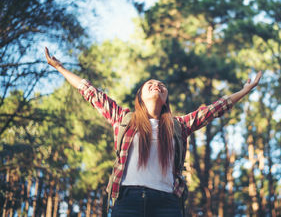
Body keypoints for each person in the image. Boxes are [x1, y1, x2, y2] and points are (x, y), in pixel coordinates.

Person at [45, 47, 262, 217]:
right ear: (140, 96)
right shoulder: (124, 119)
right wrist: (59, 68)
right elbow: (90, 92)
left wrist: (244, 91)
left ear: (166, 98)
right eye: (150, 84)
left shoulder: (178, 126)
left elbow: (214, 110)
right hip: (127, 201)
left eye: (161, 85)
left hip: (167, 204)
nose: (156, 85)